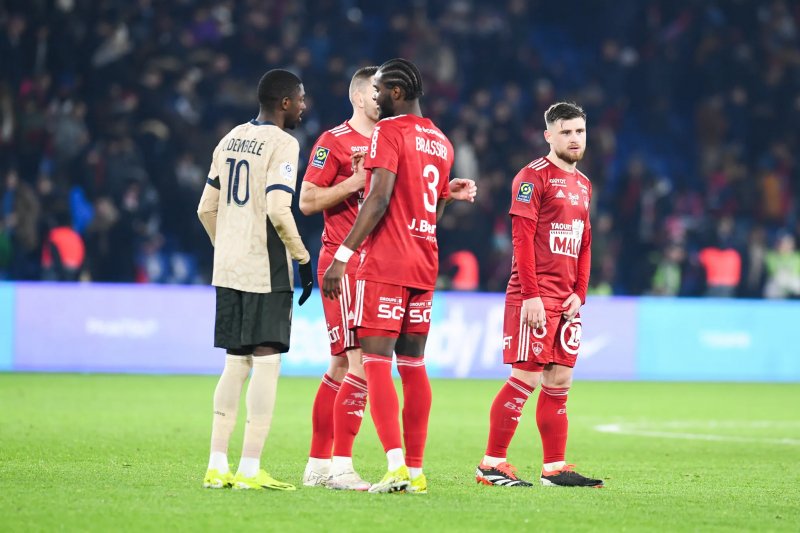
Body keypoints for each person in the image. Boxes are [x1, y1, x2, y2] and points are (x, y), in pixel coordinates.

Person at [300, 66, 477, 491]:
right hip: (355, 261)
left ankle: (331, 465)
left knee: (353, 364)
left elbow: (398, 204)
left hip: (377, 261)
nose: (377, 98)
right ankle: (336, 465)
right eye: (372, 91)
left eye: (382, 90)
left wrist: (442, 195)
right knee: (356, 363)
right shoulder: (335, 141)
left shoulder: (393, 134)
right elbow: (306, 201)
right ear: (359, 97)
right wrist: (354, 182)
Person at [197, 69, 314, 491]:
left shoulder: (229, 138)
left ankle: (216, 466)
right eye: (300, 99)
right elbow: (279, 209)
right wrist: (302, 258)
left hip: (229, 268)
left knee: (235, 363)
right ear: (284, 103)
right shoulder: (283, 143)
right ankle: (249, 468)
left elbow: (205, 208)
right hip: (266, 269)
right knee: (266, 363)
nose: (303, 106)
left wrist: (227, 246)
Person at [475, 102, 603, 488]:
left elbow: (584, 242)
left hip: (567, 300)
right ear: (549, 136)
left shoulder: (584, 185)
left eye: (579, 131)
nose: (575, 138)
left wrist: (580, 292)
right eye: (566, 132)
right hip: (534, 296)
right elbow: (521, 240)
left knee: (560, 380)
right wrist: (530, 295)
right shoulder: (532, 177)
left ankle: (554, 469)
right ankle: (491, 464)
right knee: (525, 378)